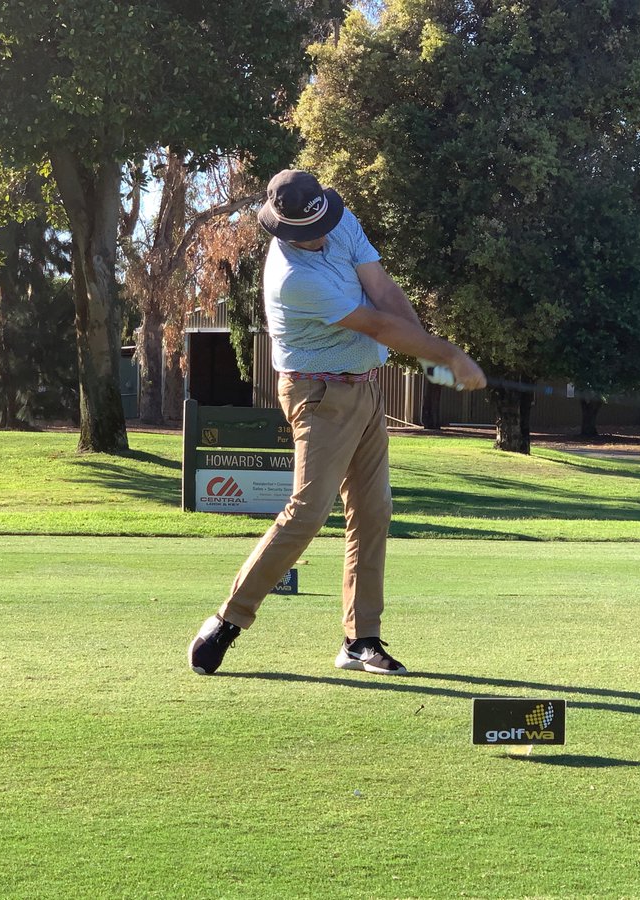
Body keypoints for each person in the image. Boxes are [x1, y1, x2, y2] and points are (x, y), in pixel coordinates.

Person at [189, 169, 485, 676]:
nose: (320, 235)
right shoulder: (294, 278)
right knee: (306, 513)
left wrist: (427, 354)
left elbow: (383, 290)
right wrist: (450, 354)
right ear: (282, 229)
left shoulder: (340, 221)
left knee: (374, 512)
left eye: (321, 223)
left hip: (365, 386)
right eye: (305, 232)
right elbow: (372, 322)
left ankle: (360, 640)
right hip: (317, 393)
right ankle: (229, 619)